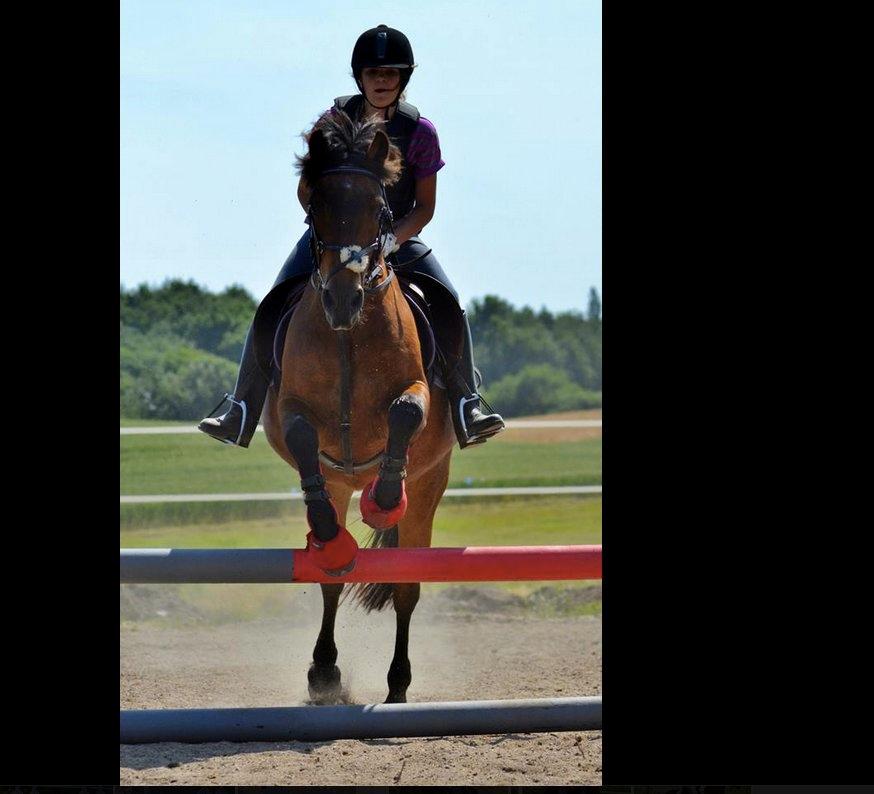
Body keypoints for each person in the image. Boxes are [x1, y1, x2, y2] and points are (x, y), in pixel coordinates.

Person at [198, 24, 504, 449]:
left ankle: (468, 403)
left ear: (403, 79)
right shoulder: (332, 123)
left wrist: (391, 240)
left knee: (450, 301)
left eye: (390, 74)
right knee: (272, 301)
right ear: (360, 78)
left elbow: (424, 207)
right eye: (373, 74)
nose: (381, 82)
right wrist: (333, 231)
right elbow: (306, 188)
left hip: (396, 234)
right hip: (332, 238)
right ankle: (241, 408)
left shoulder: (421, 133)